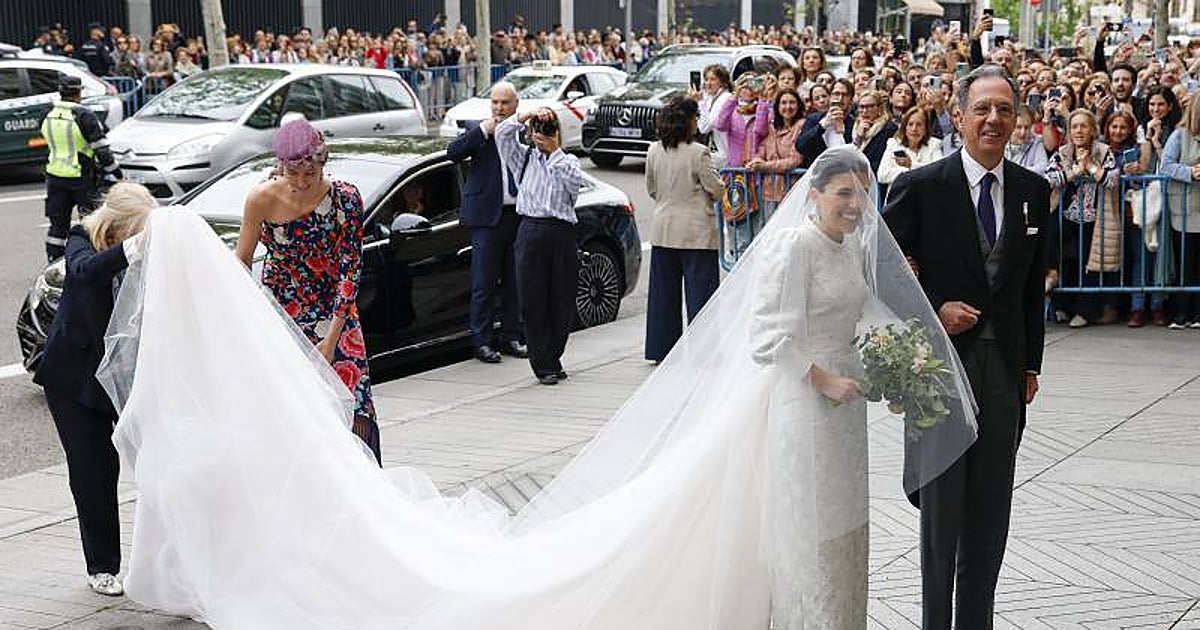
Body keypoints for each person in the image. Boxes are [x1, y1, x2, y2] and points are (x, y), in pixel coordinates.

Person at [99, 145, 978, 630]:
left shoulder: (852, 246)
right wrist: (829, 370)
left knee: (800, 521)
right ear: (818, 195)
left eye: (864, 192)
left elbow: (868, 313)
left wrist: (892, 362)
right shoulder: (792, 245)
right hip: (793, 402)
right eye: (847, 192)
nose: (857, 204)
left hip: (831, 411)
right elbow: (770, 336)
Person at [884, 64, 1050, 630]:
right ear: (958, 116)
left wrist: (1030, 364)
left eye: (1004, 108)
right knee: (941, 519)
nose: (993, 120)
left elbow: (1030, 289)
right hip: (939, 371)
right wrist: (933, 310)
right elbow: (881, 274)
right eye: (981, 108)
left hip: (1003, 374)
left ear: (1017, 118)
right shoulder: (921, 187)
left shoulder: (1034, 192)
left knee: (989, 517)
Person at [32, 183, 154, 597]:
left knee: (162, 462)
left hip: (128, 374)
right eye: (134, 230)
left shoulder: (147, 251)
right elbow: (84, 273)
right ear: (117, 226)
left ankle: (170, 561)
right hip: (74, 380)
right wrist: (130, 248)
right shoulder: (81, 239)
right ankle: (102, 566)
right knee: (94, 472)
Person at [235, 119, 381, 463]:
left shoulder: (345, 198)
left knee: (354, 399)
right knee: (292, 406)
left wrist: (330, 342)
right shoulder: (260, 199)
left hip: (336, 309)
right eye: (293, 174)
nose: (301, 182)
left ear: (322, 164)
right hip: (282, 311)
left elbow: (350, 269)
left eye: (310, 174)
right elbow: (241, 261)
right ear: (280, 167)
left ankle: (367, 483)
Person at [495, 108, 583, 385]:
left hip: (562, 232)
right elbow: (502, 134)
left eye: (546, 130)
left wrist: (554, 149)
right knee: (533, 300)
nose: (541, 136)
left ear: (557, 133)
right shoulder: (523, 158)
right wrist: (525, 115)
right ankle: (542, 363)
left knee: (562, 299)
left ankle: (553, 356)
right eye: (537, 131)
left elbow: (573, 186)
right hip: (531, 230)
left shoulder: (568, 161)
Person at [445, 82, 528, 364]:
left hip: (516, 214)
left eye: (505, 103)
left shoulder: (522, 131)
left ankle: (511, 337)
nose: (499, 108)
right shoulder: (477, 129)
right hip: (486, 218)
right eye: (495, 103)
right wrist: (483, 130)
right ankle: (482, 342)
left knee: (515, 282)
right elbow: (452, 152)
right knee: (484, 283)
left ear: (516, 104)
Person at [643, 97, 724, 363]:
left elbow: (652, 188)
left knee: (662, 295)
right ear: (689, 121)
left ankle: (661, 349)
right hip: (696, 230)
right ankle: (703, 351)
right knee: (701, 296)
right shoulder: (699, 152)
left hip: (664, 227)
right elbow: (716, 187)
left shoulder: (654, 150)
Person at [1046, 109, 1119, 328]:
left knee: (1091, 263)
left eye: (1083, 126)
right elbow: (1048, 179)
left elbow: (1113, 180)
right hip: (1065, 214)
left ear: (1093, 130)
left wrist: (1090, 167)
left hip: (1095, 217)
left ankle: (1086, 312)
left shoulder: (1104, 151)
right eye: (1074, 126)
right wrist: (1074, 172)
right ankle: (1061, 304)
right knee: (1058, 252)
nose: (1079, 130)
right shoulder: (1062, 153)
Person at [40, 75, 122, 262]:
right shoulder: (83, 115)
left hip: (54, 176)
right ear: (79, 93)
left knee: (57, 226)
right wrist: (117, 173)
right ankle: (89, 261)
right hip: (81, 178)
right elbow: (102, 150)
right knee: (90, 223)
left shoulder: (48, 113)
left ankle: (54, 262)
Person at [1159, 94, 1200, 329]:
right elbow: (1165, 165)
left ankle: (1198, 313)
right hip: (1183, 209)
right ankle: (1180, 312)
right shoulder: (1179, 135)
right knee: (1186, 263)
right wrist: (1190, 172)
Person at [878, 106, 943, 185]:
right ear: (905, 127)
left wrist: (911, 165)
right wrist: (911, 172)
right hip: (900, 195)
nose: (914, 129)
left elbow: (938, 173)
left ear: (925, 128)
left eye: (919, 125)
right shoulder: (893, 144)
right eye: (910, 124)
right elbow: (882, 176)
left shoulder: (934, 144)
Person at [1005, 105, 1050, 178]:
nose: (1023, 132)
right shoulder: (1001, 141)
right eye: (1018, 127)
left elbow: (1042, 169)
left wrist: (1013, 172)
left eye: (1027, 127)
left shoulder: (1036, 142)